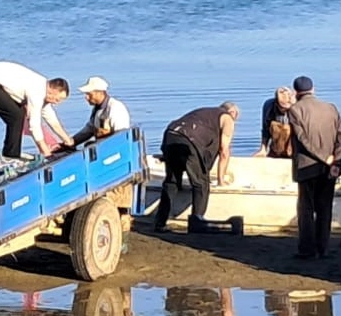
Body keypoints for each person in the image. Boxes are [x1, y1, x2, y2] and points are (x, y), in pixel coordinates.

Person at [152, 101, 239, 231]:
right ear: (233, 112)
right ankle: (197, 221)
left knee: (172, 182)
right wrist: (221, 180)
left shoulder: (206, 112)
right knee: (201, 184)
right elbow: (224, 151)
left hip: (171, 135)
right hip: (189, 140)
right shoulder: (227, 118)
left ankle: (160, 223)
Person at [286, 75, 341, 260]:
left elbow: (302, 140)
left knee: (306, 208)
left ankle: (307, 250)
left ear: (296, 92)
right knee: (325, 208)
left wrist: (325, 159)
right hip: (329, 168)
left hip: (307, 167)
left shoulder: (295, 110)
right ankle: (323, 249)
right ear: (313, 89)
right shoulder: (331, 108)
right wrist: (336, 161)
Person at [0, 60, 74, 158]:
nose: (57, 103)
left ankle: (12, 153)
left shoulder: (43, 88)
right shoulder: (37, 92)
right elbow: (34, 125)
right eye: (58, 99)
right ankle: (11, 156)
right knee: (16, 116)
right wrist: (45, 152)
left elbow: (51, 119)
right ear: (52, 91)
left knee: (18, 114)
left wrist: (67, 140)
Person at [71, 75, 131, 145]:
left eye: (89, 94)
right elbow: (89, 130)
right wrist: (72, 142)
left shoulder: (116, 108)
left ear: (100, 93)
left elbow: (121, 136)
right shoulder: (97, 109)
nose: (86, 97)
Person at [254, 85, 296, 158]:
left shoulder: (298, 107)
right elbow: (265, 130)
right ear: (276, 102)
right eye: (282, 107)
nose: (284, 110)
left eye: (287, 108)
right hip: (276, 145)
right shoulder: (269, 106)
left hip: (294, 146)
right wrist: (263, 149)